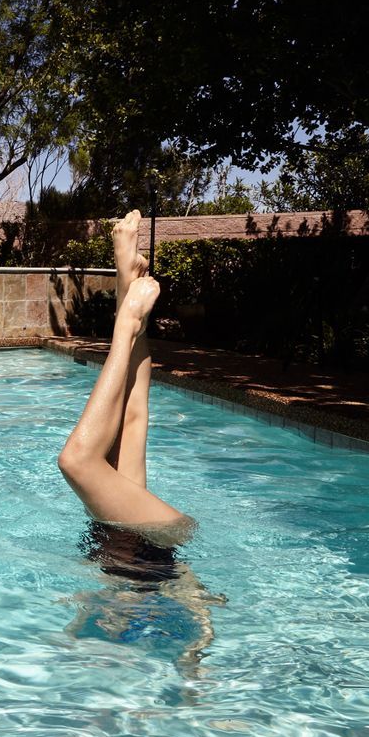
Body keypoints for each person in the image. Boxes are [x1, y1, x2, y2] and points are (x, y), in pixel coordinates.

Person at [58, 210, 223, 674]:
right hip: (158, 536)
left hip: (119, 530)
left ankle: (126, 287)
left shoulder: (102, 597)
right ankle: (127, 319)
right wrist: (191, 666)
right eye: (116, 624)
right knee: (82, 457)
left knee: (127, 421)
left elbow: (74, 632)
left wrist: (74, 636)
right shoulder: (161, 593)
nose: (111, 619)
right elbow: (202, 616)